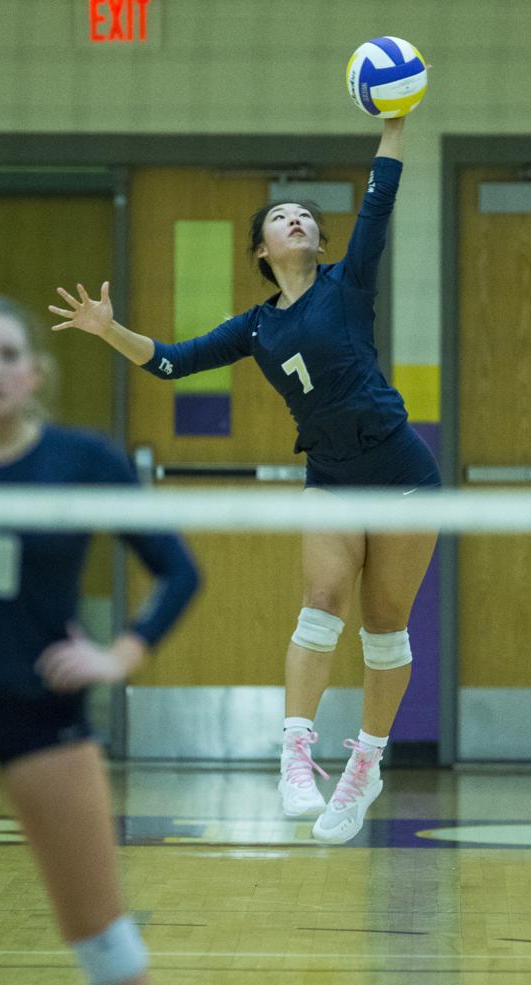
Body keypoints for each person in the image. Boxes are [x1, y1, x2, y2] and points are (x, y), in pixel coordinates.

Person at [48, 115, 440, 847]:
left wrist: (396, 123)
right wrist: (108, 329)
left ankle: (366, 764)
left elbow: (382, 193)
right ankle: (295, 753)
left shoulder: (349, 283)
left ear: (319, 242)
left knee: (384, 629)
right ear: (262, 248)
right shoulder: (256, 328)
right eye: (281, 218)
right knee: (321, 605)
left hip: (401, 473)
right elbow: (169, 361)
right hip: (329, 475)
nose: (297, 220)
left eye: (306, 218)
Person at [0, 294, 200, 985]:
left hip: (44, 711)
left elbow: (178, 571)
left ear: (35, 373)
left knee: (104, 940)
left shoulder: (83, 459)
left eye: (8, 356)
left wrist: (119, 654)